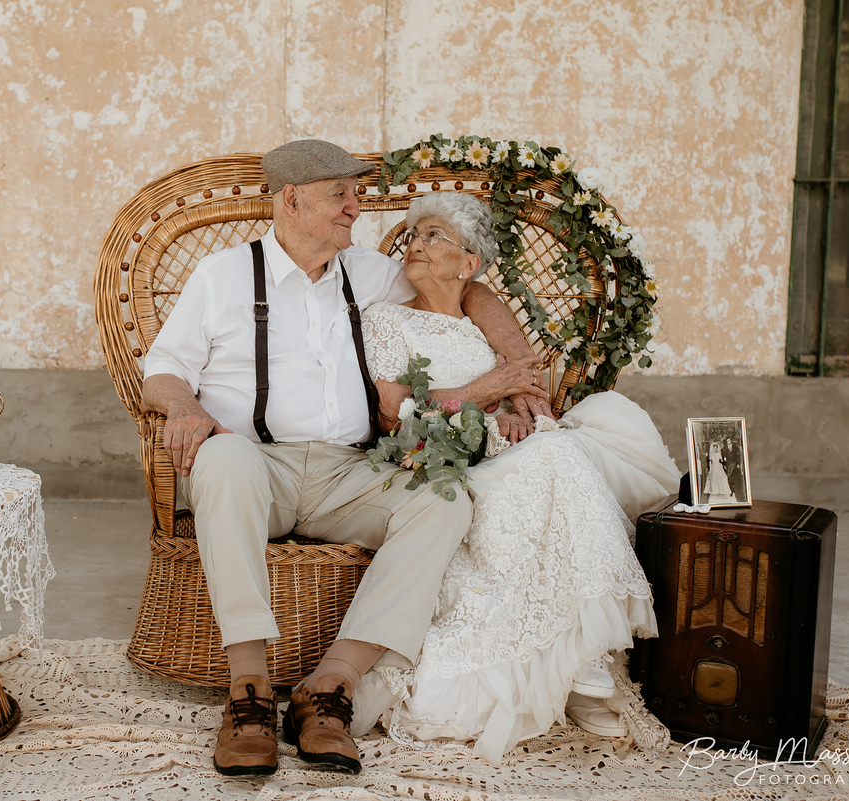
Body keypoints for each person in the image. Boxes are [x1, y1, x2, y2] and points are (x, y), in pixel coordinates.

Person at [140, 141, 547, 776]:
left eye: (354, 194)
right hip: (255, 464)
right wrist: (185, 409)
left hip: (349, 472)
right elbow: (161, 370)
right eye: (341, 194)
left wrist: (515, 377)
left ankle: (328, 688)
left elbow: (466, 290)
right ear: (290, 199)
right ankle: (247, 692)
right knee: (219, 461)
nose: (355, 208)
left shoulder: (368, 271)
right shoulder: (222, 276)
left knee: (442, 501)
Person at [356, 191, 681, 763]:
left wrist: (521, 415)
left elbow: (528, 383)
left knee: (562, 451)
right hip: (444, 456)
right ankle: (584, 659)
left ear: (469, 264)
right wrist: (483, 399)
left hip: (510, 447)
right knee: (557, 464)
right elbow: (392, 409)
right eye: (413, 235)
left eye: (435, 236)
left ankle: (583, 654)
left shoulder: (479, 305)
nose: (416, 244)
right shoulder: (386, 318)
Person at [703, 439, 736, 504]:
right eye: (714, 448)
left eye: (716, 448)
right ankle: (715, 491)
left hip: (718, 467)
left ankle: (722, 491)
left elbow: (721, 461)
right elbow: (710, 462)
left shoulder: (718, 454)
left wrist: (723, 462)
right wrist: (710, 469)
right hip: (713, 467)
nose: (715, 450)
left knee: (723, 478)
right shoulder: (711, 455)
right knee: (714, 479)